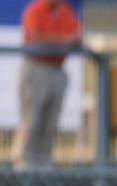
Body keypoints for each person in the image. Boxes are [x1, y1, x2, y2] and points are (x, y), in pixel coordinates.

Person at [12, 0, 80, 170]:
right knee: (32, 121)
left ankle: (43, 168)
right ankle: (23, 166)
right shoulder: (35, 10)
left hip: (57, 69)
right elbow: (36, 38)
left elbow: (76, 37)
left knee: (50, 124)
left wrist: (61, 41)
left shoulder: (65, 11)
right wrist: (63, 40)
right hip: (37, 69)